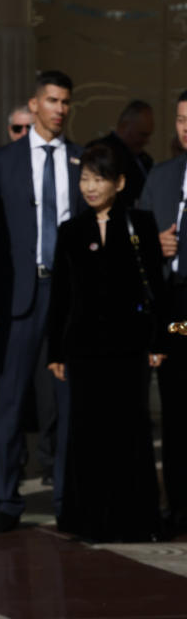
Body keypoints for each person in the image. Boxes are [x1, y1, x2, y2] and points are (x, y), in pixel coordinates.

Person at [46, 143, 165, 542]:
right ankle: (89, 519)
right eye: (85, 179)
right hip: (84, 350)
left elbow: (156, 288)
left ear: (120, 182)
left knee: (129, 433)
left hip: (128, 348)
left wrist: (158, 341)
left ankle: (136, 519)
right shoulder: (71, 230)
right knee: (88, 435)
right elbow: (61, 295)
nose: (90, 187)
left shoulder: (140, 225)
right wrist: (56, 351)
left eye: (99, 179)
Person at [0, 70, 82, 535]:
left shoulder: (83, 162)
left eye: (66, 101)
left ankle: (66, 497)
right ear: (35, 104)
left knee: (63, 404)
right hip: (19, 296)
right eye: (52, 100)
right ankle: (5, 499)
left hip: (68, 298)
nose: (60, 108)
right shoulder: (3, 163)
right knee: (11, 402)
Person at [140, 89, 187, 534]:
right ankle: (177, 505)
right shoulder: (162, 174)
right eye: (180, 120)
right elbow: (137, 242)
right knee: (175, 412)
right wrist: (156, 245)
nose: (185, 128)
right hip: (175, 313)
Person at [87, 100, 154, 205]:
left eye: (148, 135)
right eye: (142, 134)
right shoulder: (101, 150)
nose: (146, 141)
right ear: (124, 126)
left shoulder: (145, 159)